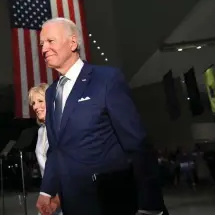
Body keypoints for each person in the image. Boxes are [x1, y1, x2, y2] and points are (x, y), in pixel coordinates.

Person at [35, 17, 167, 215]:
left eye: (50, 41)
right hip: (72, 204)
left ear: (73, 43)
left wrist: (149, 205)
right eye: (42, 44)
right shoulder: (51, 93)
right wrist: (47, 190)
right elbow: (56, 148)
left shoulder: (106, 80)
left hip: (111, 203)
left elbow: (137, 143)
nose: (44, 49)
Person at [28, 83, 62, 215]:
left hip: (66, 194)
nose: (35, 106)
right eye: (33, 103)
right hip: (48, 193)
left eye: (40, 101)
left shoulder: (61, 128)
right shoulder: (41, 131)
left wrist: (57, 199)